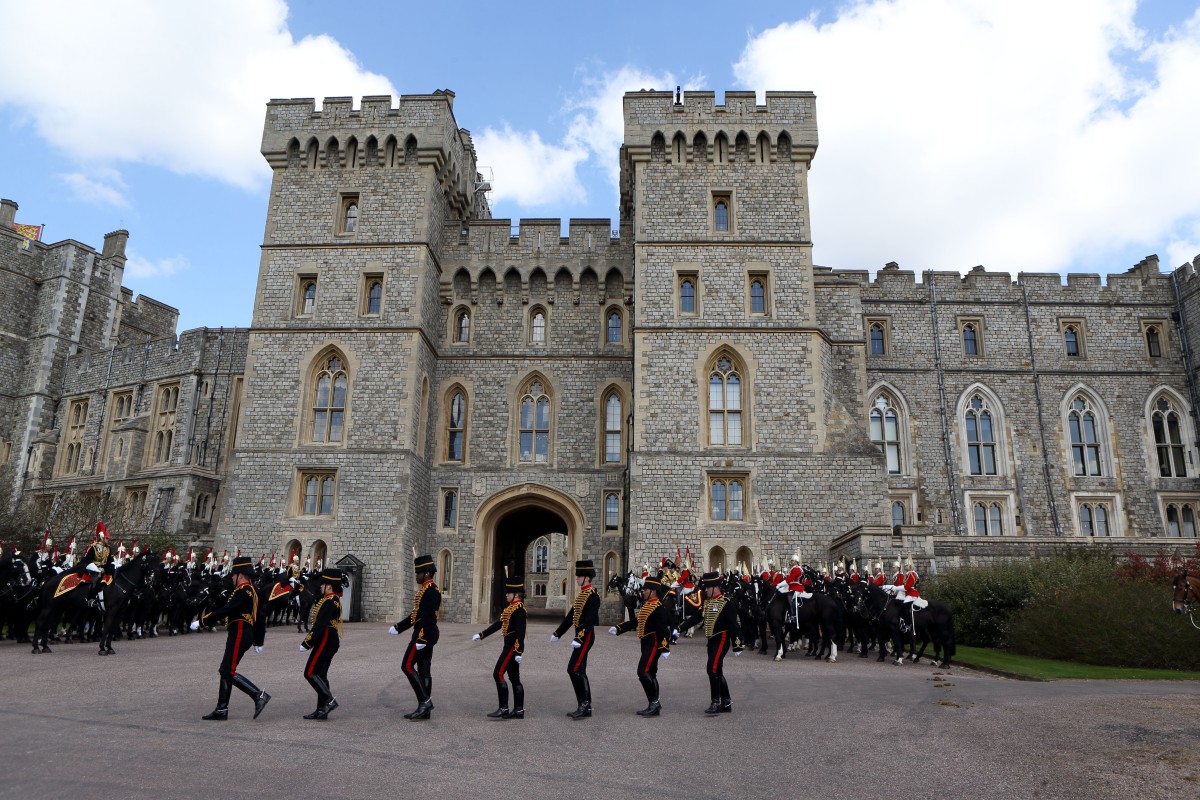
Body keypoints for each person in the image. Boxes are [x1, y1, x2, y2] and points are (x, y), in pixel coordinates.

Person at [192, 555, 270, 721]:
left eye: (233, 575)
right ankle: (221, 708)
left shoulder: (243, 591)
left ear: (240, 575)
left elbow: (227, 609)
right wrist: (258, 640)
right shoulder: (252, 591)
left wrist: (202, 621)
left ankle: (258, 695)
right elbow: (259, 617)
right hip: (242, 632)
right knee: (226, 669)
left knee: (227, 670)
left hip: (241, 631)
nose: (232, 578)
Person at [679, 571, 743, 714]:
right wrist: (679, 628)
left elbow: (734, 625)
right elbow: (696, 618)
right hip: (711, 641)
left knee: (712, 669)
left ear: (715, 587)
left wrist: (737, 644)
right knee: (717, 670)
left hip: (722, 639)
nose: (705, 590)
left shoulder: (726, 603)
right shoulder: (708, 603)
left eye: (707, 588)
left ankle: (716, 701)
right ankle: (726, 702)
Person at [609, 573, 672, 717]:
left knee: (642, 672)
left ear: (653, 591)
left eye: (645, 590)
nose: (643, 592)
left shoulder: (658, 607)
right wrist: (620, 628)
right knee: (651, 673)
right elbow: (636, 621)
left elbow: (663, 629)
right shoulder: (648, 606)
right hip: (646, 644)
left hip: (654, 644)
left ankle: (654, 703)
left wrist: (664, 647)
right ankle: (654, 704)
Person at [388, 554, 441, 720]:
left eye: (418, 573)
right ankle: (425, 708)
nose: (416, 575)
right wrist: (399, 627)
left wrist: (422, 639)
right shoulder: (425, 589)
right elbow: (417, 615)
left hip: (424, 634)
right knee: (424, 669)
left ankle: (425, 702)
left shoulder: (431, 591)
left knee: (407, 666)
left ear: (426, 573)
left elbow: (429, 618)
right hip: (426, 633)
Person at [550, 559, 600, 720]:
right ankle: (585, 705)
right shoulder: (582, 595)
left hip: (586, 637)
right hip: (580, 637)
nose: (577, 579)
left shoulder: (592, 596)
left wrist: (580, 637)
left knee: (573, 668)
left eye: (579, 577)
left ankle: (584, 704)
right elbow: (571, 616)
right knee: (580, 670)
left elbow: (591, 621)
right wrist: (558, 633)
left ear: (586, 577)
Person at [473, 575, 526, 720]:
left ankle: (504, 708)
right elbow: (499, 624)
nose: (506, 595)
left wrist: (519, 651)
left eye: (508, 593)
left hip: (511, 648)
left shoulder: (519, 610)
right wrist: (482, 634)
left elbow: (520, 633)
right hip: (508, 646)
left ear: (515, 594)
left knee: (498, 673)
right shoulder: (510, 608)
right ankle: (518, 710)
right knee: (514, 678)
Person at [298, 566, 344, 720]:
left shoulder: (330, 601)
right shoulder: (331, 599)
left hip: (325, 638)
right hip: (330, 638)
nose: (321, 587)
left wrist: (307, 642)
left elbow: (320, 624)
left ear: (329, 586)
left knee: (310, 672)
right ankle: (321, 708)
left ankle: (329, 701)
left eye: (323, 585)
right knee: (321, 674)